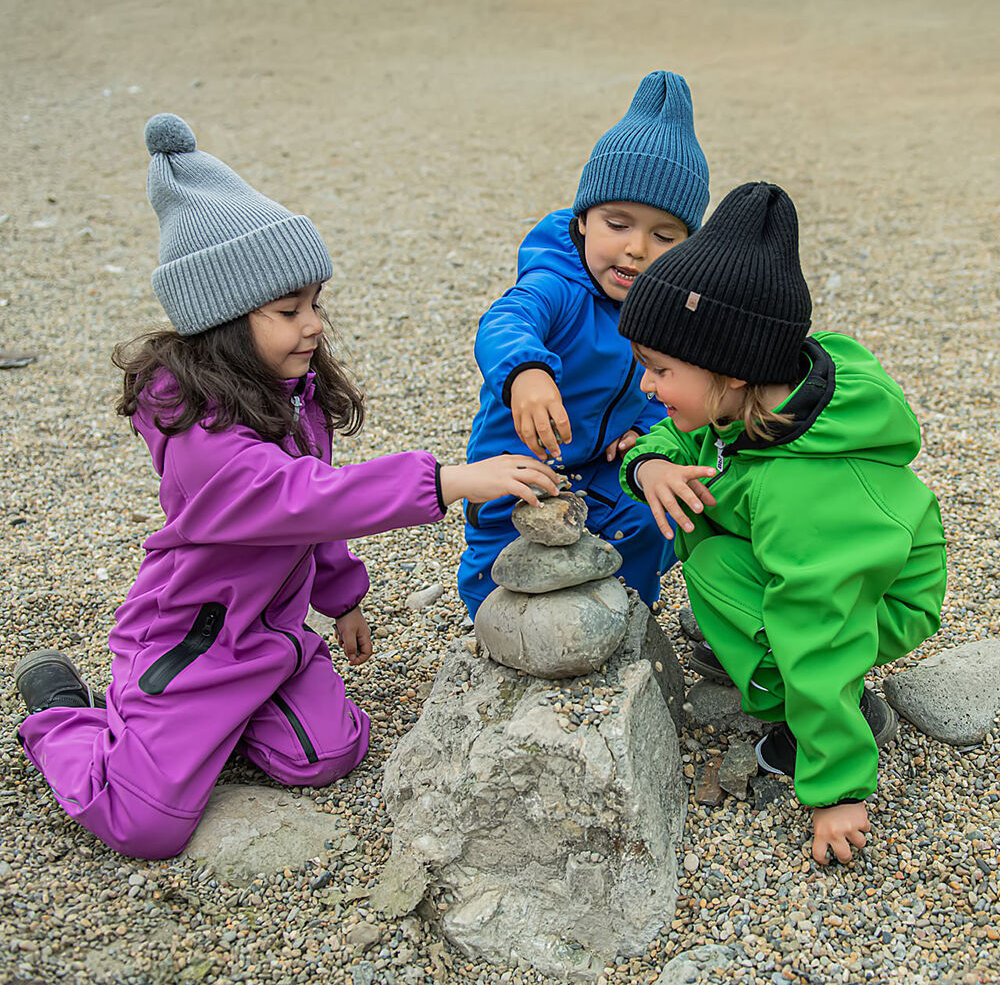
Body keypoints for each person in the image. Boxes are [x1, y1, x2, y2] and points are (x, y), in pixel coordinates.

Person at [13, 113, 559, 860]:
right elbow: (302, 497)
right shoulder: (198, 439)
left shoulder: (291, 396)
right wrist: (451, 480)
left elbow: (313, 507)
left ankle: (215, 725)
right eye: (289, 310)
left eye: (315, 303)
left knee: (327, 756)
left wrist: (341, 597)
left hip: (269, 639)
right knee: (144, 825)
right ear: (225, 322)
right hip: (193, 643)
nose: (314, 326)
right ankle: (67, 717)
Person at [616, 181, 946, 865]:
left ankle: (829, 715)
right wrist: (649, 466)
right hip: (833, 562)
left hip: (873, 597)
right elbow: (677, 443)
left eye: (659, 370)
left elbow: (823, 628)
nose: (646, 386)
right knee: (700, 513)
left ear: (730, 371)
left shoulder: (804, 491)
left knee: (717, 570)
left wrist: (837, 793)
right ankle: (758, 640)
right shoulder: (765, 393)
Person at [458, 71, 710, 618]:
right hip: (518, 465)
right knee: (501, 567)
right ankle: (497, 625)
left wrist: (646, 428)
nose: (637, 249)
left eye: (665, 236)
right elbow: (506, 321)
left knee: (651, 517)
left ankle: (629, 614)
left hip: (601, 463)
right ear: (582, 221)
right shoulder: (556, 284)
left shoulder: (665, 305)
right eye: (617, 223)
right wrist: (526, 371)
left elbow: (662, 384)